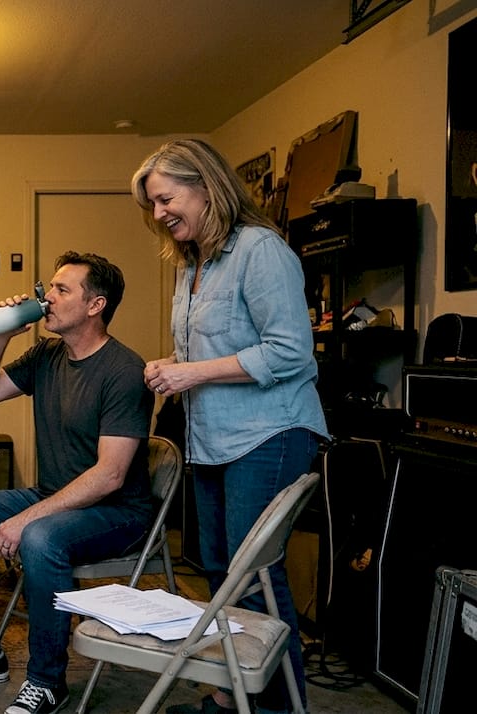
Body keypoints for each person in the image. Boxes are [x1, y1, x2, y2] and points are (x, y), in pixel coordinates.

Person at [131, 139, 328, 714]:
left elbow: (292, 352)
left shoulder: (260, 250)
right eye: (154, 206)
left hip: (269, 434)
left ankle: (276, 706)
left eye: (167, 199)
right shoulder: (194, 264)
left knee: (254, 577)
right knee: (220, 573)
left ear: (206, 186)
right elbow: (213, 349)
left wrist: (191, 372)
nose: (161, 214)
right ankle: (232, 693)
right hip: (212, 440)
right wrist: (173, 364)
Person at [0, 252, 154, 714]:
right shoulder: (48, 354)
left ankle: (47, 681)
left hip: (116, 512)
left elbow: (110, 475)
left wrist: (25, 518)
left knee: (41, 538)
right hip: (56, 495)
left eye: (62, 290)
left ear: (95, 305)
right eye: (50, 287)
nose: (47, 297)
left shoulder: (124, 370)